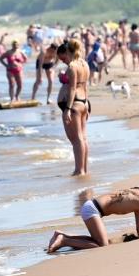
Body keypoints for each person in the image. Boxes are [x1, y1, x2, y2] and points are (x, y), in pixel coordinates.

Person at [47, 169, 139, 253]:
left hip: (91, 206)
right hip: (93, 209)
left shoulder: (138, 194)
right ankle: (64, 241)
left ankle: (61, 235)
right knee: (102, 244)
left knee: (97, 240)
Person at [57, 40, 91, 175]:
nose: (63, 61)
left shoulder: (72, 66)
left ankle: (79, 170)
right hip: (83, 102)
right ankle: (84, 169)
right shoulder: (85, 63)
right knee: (82, 138)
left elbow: (72, 89)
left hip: (74, 104)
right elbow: (85, 86)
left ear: (68, 52)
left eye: (63, 58)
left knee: (77, 140)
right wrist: (87, 104)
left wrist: (67, 109)